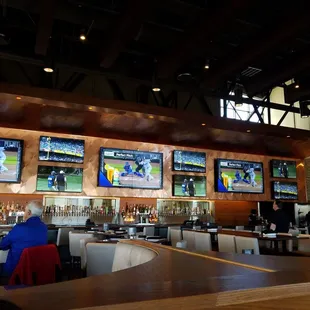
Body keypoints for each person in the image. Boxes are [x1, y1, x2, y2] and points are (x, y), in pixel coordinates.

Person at [0, 201, 47, 277]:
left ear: (29, 212)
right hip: (37, 268)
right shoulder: (44, 227)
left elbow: (2, 245)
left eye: (25, 211)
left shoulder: (19, 227)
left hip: (17, 268)